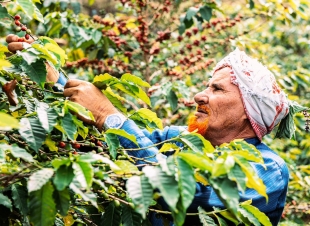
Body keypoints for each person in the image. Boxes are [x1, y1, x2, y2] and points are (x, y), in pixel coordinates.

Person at [6, 34, 299, 225]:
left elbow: (186, 194)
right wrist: (51, 77)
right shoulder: (180, 140)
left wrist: (110, 115)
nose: (200, 95)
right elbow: (116, 143)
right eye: (206, 85)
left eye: (217, 88)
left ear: (248, 111)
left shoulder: (268, 169)